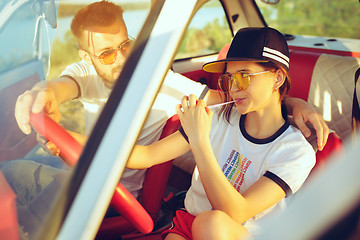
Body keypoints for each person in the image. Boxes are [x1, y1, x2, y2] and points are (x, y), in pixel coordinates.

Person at [13, 1, 325, 204]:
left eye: (126, 45)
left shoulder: (163, 83)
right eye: (106, 54)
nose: (122, 59)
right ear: (87, 57)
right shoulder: (83, 73)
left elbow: (237, 102)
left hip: (107, 195)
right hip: (81, 169)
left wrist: (294, 104)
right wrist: (41, 95)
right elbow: (57, 88)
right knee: (12, 172)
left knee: (12, 178)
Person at [127, 27, 316, 239]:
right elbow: (147, 156)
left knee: (212, 222)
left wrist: (199, 141)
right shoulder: (217, 118)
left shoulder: (295, 151)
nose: (234, 88)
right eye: (228, 79)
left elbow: (235, 212)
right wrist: (85, 147)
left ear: (278, 78)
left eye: (243, 76)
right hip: (189, 224)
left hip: (239, 232)